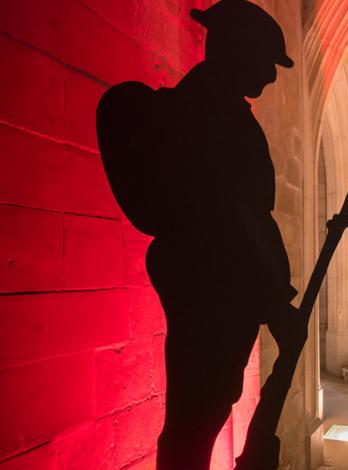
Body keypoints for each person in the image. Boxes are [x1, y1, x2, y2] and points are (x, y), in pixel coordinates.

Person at [101, 1, 304, 468]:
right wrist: (275, 306)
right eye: (265, 62)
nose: (271, 78)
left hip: (223, 297)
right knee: (195, 421)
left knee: (202, 414)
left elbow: (243, 216)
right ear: (237, 50)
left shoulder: (219, 113)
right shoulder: (210, 118)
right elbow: (230, 219)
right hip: (214, 295)